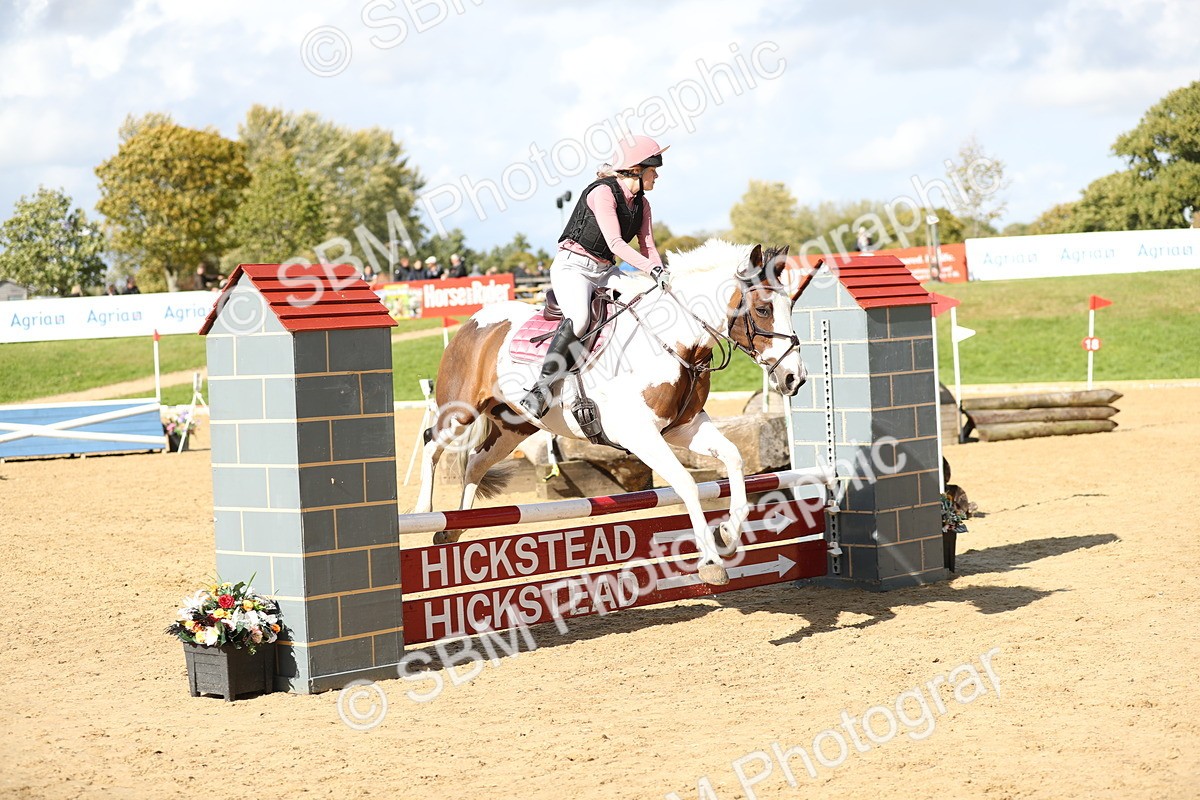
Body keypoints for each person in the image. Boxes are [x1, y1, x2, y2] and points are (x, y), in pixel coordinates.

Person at [518, 134, 669, 418]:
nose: (657, 176)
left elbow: (648, 246)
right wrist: (651, 270)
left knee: (644, 303)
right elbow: (615, 243)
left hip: (604, 271)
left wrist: (659, 276)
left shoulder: (642, 204)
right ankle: (541, 388)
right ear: (636, 170)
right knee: (581, 318)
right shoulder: (602, 193)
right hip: (573, 267)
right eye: (654, 170)